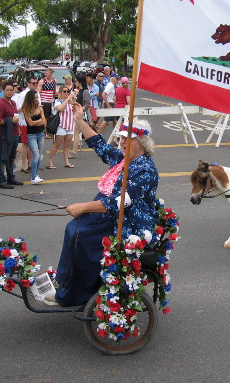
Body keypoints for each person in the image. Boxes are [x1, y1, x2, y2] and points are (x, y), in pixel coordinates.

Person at [46, 110, 159, 307]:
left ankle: (75, 293)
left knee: (80, 235)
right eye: (121, 138)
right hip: (111, 216)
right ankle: (66, 280)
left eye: (127, 139)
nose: (122, 143)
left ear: (141, 142)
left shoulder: (145, 169)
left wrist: (83, 207)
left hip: (127, 224)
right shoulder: (125, 159)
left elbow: (118, 203)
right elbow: (100, 146)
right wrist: (79, 120)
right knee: (73, 228)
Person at [0, 81, 23, 189]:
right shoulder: (0, 104)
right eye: (7, 90)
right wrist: (10, 120)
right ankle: (2, 180)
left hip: (14, 133)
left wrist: (18, 127)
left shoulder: (13, 103)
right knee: (2, 157)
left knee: (11, 157)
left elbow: (15, 117)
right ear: (3, 91)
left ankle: (11, 177)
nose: (10, 92)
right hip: (5, 134)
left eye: (11, 90)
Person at [46, 85, 76, 169]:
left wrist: (73, 99)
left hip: (70, 125)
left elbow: (76, 109)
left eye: (68, 91)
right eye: (64, 91)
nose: (66, 93)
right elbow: (61, 108)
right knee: (57, 144)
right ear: (60, 93)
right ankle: (50, 161)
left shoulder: (71, 102)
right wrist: (67, 99)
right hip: (61, 125)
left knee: (67, 144)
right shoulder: (57, 101)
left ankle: (66, 161)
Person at [20, 89, 46, 184]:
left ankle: (36, 174)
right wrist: (39, 121)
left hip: (40, 133)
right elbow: (30, 124)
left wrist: (36, 122)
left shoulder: (40, 109)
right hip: (31, 135)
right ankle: (33, 177)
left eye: (37, 97)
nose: (36, 99)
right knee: (36, 155)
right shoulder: (26, 109)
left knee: (39, 156)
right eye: (34, 98)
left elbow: (44, 121)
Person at [70, 76, 90, 158]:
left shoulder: (85, 91)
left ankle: (74, 152)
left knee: (77, 132)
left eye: (76, 81)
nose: (75, 83)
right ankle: (74, 151)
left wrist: (81, 109)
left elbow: (87, 104)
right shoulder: (78, 91)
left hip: (81, 114)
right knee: (79, 132)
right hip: (77, 113)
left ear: (80, 82)